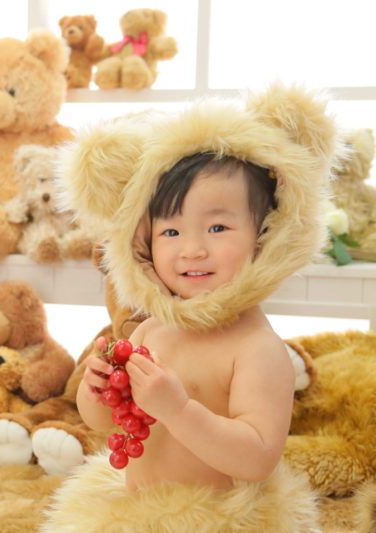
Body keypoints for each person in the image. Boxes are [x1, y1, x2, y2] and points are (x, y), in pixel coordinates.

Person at [40, 84, 338, 533]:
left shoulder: (256, 348)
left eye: (217, 227)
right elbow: (108, 424)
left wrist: (178, 410)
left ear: (266, 236)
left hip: (218, 519)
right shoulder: (150, 331)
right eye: (171, 232)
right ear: (143, 241)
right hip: (140, 512)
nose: (192, 249)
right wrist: (97, 391)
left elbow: (257, 457)